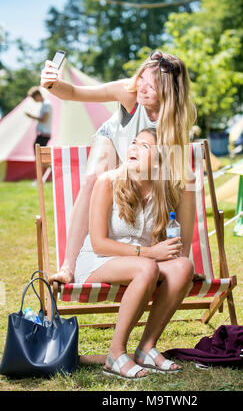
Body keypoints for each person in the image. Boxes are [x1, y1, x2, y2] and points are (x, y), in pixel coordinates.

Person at [40, 50, 197, 284]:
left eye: (151, 86)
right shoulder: (129, 92)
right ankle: (68, 266)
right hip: (115, 138)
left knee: (187, 183)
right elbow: (73, 93)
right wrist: (52, 84)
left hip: (144, 153)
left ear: (168, 92)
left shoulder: (176, 119)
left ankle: (180, 260)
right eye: (141, 78)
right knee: (93, 177)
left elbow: (173, 169)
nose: (142, 87)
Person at [76, 128, 195, 379]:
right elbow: (99, 243)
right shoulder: (108, 182)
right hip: (100, 260)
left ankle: (146, 348)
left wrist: (166, 251)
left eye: (144, 147)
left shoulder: (165, 190)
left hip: (141, 262)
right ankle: (115, 354)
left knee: (184, 266)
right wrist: (150, 252)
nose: (133, 148)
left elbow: (172, 241)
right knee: (146, 267)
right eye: (133, 143)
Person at [25, 86, 52, 154]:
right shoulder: (44, 104)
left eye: (33, 98)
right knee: (38, 153)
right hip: (43, 134)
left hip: (44, 134)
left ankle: (39, 165)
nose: (34, 100)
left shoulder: (46, 104)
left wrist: (32, 116)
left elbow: (44, 119)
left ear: (38, 95)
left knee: (39, 154)